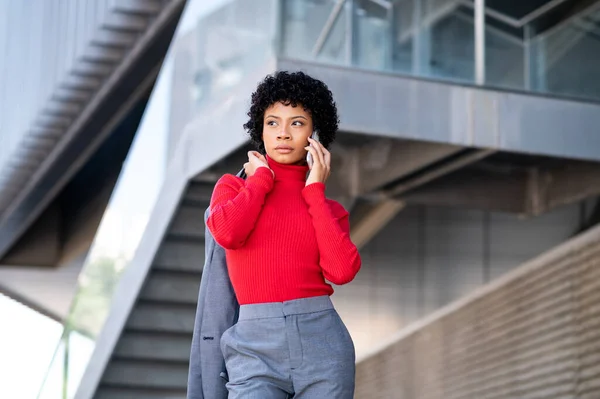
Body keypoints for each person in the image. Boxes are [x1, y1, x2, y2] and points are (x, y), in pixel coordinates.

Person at [206, 70, 361, 398]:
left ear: (315, 133)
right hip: (253, 349)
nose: (283, 133)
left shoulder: (329, 209)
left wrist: (315, 191)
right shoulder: (234, 188)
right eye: (273, 122)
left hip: (323, 346)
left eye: (297, 123)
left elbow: (342, 271)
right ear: (260, 130)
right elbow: (227, 233)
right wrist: (260, 180)